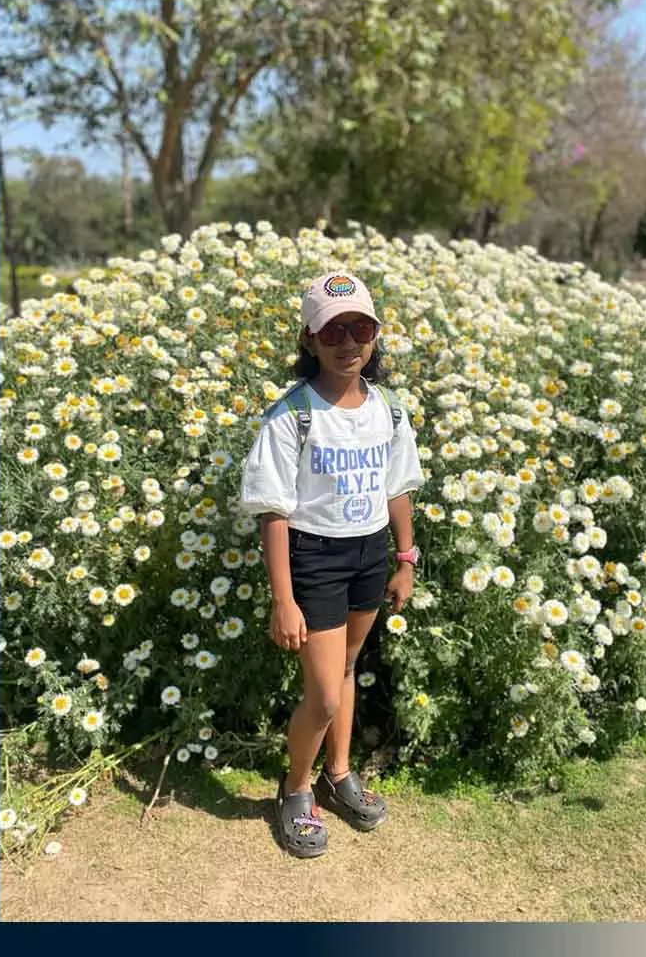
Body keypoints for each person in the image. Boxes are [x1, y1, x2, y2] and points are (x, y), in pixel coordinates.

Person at [240, 272, 424, 859]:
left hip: (370, 552)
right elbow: (273, 511)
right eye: (334, 330)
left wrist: (405, 558)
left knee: (346, 669)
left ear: (375, 336)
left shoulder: (389, 410)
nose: (349, 341)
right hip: (314, 558)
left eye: (361, 328)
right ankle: (295, 788)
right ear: (309, 339)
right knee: (320, 694)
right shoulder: (291, 415)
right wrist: (283, 599)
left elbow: (398, 488)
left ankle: (338, 775)